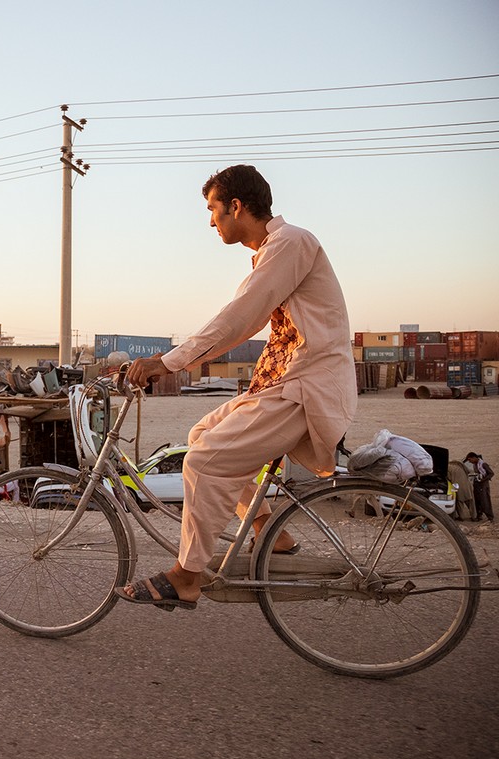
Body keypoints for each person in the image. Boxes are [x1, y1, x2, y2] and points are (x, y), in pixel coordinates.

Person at [116, 165, 356, 610]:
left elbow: (239, 317)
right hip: (283, 385)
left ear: (236, 207)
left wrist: (166, 362)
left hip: (305, 389)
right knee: (200, 437)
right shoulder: (274, 250)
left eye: (213, 209)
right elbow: (243, 322)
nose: (211, 221)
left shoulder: (290, 243)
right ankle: (270, 533)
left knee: (205, 464)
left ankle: (187, 576)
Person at [466, 452, 494, 522]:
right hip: (477, 484)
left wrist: (483, 479)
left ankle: (490, 517)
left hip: (483, 485)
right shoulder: (475, 465)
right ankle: (479, 516)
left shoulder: (483, 464)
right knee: (477, 500)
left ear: (474, 458)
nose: (470, 462)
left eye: (470, 460)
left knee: (485, 501)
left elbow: (491, 473)